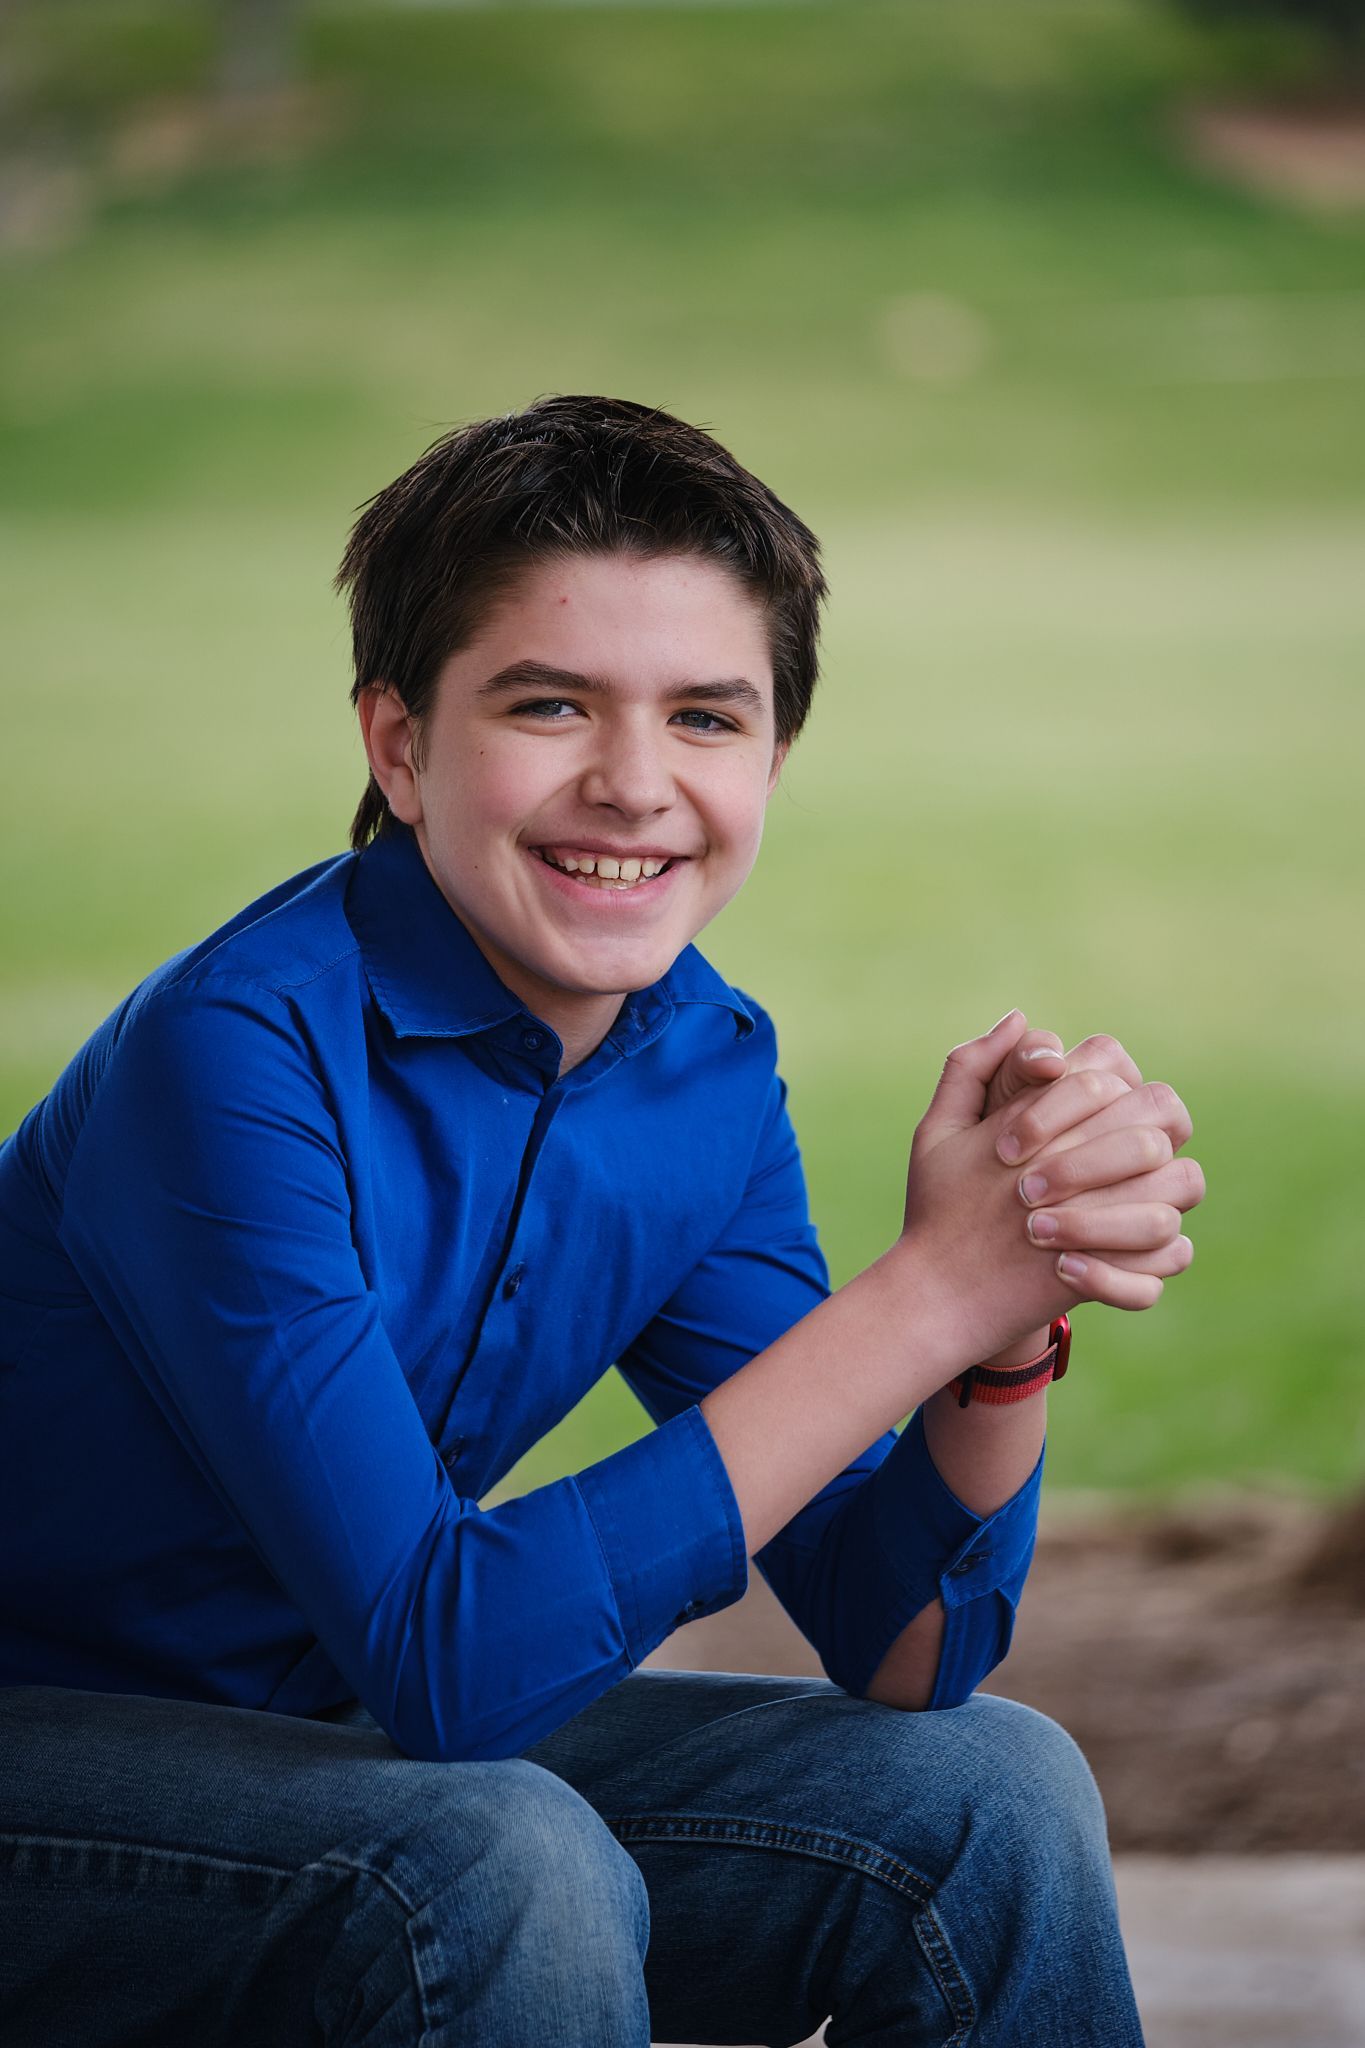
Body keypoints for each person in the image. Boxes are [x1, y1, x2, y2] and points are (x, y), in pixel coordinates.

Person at [0, 394, 1202, 2046]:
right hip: (43, 1752)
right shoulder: (232, 1054)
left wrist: (1003, 1322)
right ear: (399, 745)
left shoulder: (704, 1076)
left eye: (705, 718)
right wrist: (922, 1298)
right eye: (549, 704)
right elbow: (451, 1666)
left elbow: (908, 1646)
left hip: (321, 1741)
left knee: (987, 1788)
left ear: (771, 761)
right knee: (491, 1857)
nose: (634, 785)